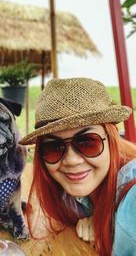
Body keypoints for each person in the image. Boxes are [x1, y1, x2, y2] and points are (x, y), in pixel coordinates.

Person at [19, 77, 136, 256]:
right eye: (53, 147)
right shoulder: (82, 190)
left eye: (87, 142)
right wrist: (100, 220)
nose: (71, 160)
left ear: (112, 140)